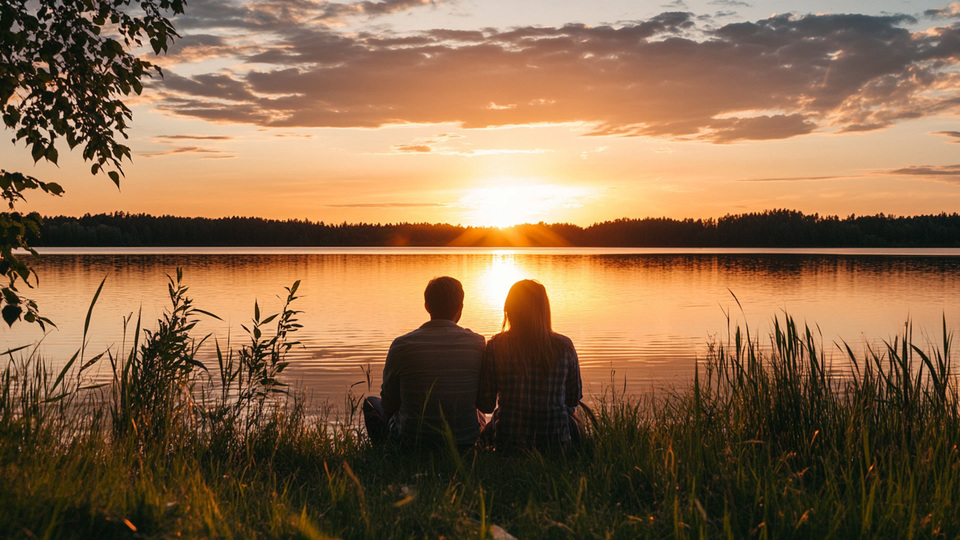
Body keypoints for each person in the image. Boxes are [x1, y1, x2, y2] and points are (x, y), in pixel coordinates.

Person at [363, 276, 486, 449]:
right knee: (478, 412)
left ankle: (385, 452)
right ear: (461, 307)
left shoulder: (402, 345)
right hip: (464, 443)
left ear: (427, 306)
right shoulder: (477, 344)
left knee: (370, 403)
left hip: (411, 442)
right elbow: (484, 402)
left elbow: (388, 404)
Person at [478, 279, 584, 450]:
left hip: (509, 444)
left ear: (509, 309)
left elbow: (485, 404)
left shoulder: (496, 346)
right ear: (544, 311)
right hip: (556, 444)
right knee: (575, 415)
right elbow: (573, 398)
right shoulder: (564, 345)